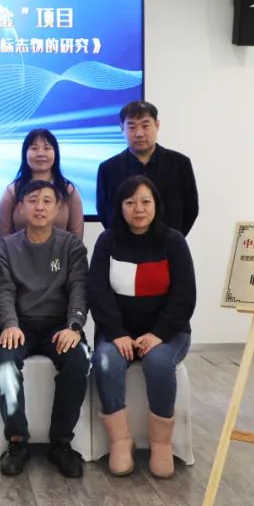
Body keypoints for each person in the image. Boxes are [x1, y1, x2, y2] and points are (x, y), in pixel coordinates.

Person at [88, 175, 195, 478]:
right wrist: (117, 332)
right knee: (105, 361)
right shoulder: (107, 241)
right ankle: (121, 440)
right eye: (130, 202)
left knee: (158, 363)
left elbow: (185, 295)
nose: (138, 208)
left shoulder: (173, 241)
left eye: (145, 201)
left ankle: (161, 443)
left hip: (167, 333)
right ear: (119, 206)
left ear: (156, 205)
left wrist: (158, 334)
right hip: (118, 332)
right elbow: (98, 291)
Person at [0, 179, 90, 478]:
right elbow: (2, 290)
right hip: (19, 325)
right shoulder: (7, 246)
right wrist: (9, 324)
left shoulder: (71, 245)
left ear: (58, 208)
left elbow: (79, 288)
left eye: (47, 201)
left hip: (60, 325)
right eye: (32, 200)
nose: (40, 207)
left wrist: (74, 326)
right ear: (21, 207)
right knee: (4, 361)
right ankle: (17, 441)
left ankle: (61, 443)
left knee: (77, 360)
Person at [96, 101, 198, 236]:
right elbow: (104, 212)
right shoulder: (108, 169)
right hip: (124, 246)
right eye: (131, 127)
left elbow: (191, 209)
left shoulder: (179, 164)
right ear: (122, 128)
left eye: (145, 126)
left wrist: (174, 239)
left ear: (157, 125)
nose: (139, 133)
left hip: (168, 245)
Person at [0, 128, 83, 242]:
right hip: (19, 253)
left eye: (47, 148)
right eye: (34, 148)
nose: (41, 154)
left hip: (61, 253)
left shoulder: (68, 190)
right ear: (25, 153)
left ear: (55, 153)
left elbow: (76, 237)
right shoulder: (13, 191)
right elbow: (3, 237)